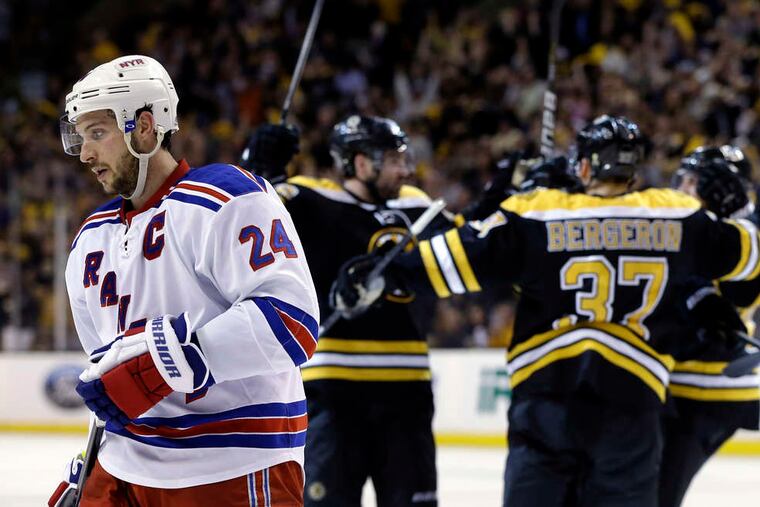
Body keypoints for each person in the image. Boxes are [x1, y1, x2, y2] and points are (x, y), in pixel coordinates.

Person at [330, 115, 760, 507]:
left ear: (585, 167)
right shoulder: (675, 213)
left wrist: (384, 271)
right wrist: (743, 212)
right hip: (633, 404)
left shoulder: (539, 211)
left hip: (547, 403)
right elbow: (750, 255)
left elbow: (452, 262)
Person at [49, 54, 318, 506]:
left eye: (98, 133)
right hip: (123, 470)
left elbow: (293, 322)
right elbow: (111, 376)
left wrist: (171, 361)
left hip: (232, 464)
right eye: (82, 137)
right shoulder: (89, 240)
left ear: (146, 127)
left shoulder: (226, 197)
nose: (86, 153)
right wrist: (89, 464)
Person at [241, 115, 457, 507]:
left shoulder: (417, 206)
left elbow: (471, 251)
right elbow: (242, 217)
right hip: (334, 390)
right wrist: (257, 170)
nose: (405, 170)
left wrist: (506, 197)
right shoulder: (311, 200)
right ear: (360, 163)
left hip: (407, 391)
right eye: (393, 159)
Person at [660, 147, 760, 507]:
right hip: (687, 384)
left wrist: (743, 215)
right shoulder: (689, 227)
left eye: (693, 180)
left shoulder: (736, 234)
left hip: (704, 385)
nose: (682, 188)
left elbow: (742, 290)